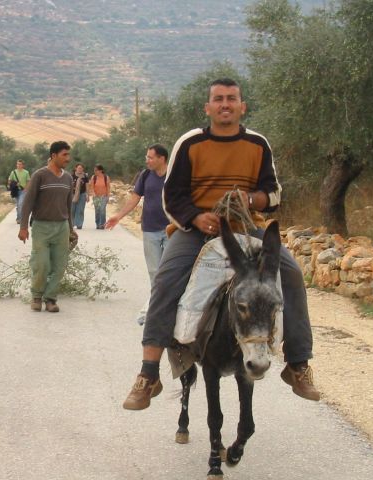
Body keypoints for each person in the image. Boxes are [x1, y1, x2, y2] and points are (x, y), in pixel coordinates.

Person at [122, 78, 320, 410]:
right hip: (197, 231)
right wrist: (196, 218)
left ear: (242, 106)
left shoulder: (258, 143)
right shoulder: (190, 142)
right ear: (208, 107)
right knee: (166, 281)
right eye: (218, 99)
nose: (225, 104)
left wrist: (252, 198)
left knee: (292, 273)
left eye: (231, 99)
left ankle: (298, 364)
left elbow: (273, 194)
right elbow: (173, 196)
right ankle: (148, 373)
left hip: (246, 227)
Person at [18, 141, 73, 313]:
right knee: (41, 264)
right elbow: (27, 203)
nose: (68, 158)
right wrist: (24, 227)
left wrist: (71, 229)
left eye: (68, 155)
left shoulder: (68, 178)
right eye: (64, 155)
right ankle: (36, 296)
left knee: (59, 265)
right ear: (53, 155)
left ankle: (50, 299)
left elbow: (68, 206)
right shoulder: (39, 175)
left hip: (61, 227)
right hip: (41, 227)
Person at [105, 144, 170, 284]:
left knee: (170, 270)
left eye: (150, 157)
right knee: (154, 270)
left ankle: (170, 302)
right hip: (150, 230)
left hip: (172, 230)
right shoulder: (145, 175)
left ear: (162, 158)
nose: (147, 160)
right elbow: (135, 198)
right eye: (147, 157)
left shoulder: (175, 175)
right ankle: (157, 302)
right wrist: (118, 216)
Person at [7, 159, 31, 223]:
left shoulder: (26, 172)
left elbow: (28, 181)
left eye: (20, 164)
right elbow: (9, 180)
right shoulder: (13, 172)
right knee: (18, 205)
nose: (19, 165)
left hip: (23, 191)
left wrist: (26, 189)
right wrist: (11, 184)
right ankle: (18, 218)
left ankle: (20, 219)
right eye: (17, 164)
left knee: (20, 204)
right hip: (15, 191)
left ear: (23, 165)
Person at [90, 164, 110, 229]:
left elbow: (108, 187)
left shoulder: (106, 177)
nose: (95, 171)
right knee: (97, 210)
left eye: (96, 170)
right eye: (94, 170)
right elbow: (92, 187)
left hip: (104, 196)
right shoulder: (94, 177)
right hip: (96, 197)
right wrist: (93, 193)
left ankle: (102, 224)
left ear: (101, 170)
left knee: (102, 210)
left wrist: (108, 196)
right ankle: (98, 224)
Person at [71, 163, 90, 229]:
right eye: (78, 168)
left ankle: (79, 224)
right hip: (72, 194)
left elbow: (87, 186)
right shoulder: (71, 175)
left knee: (80, 210)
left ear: (83, 169)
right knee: (72, 209)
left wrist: (87, 195)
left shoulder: (85, 176)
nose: (80, 169)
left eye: (81, 168)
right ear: (75, 168)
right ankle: (72, 224)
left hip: (82, 194)